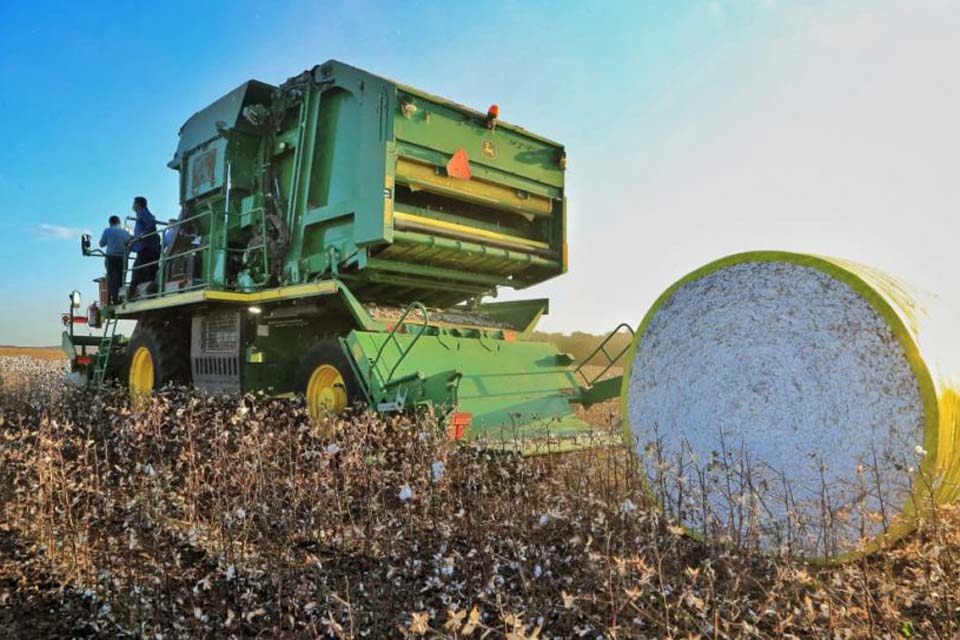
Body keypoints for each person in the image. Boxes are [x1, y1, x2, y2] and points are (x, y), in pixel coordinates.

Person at [129, 196, 161, 292]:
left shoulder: (143, 212)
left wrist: (142, 235)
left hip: (147, 248)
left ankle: (134, 289)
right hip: (148, 248)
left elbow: (151, 222)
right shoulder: (141, 214)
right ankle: (142, 288)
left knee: (139, 269)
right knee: (145, 270)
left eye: (133, 203)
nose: (132, 206)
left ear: (138, 204)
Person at [98, 215, 132, 305]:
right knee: (122, 280)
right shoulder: (125, 232)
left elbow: (101, 244)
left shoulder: (107, 230)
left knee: (112, 279)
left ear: (110, 223)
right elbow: (130, 242)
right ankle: (120, 298)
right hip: (123, 258)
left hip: (111, 257)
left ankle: (112, 300)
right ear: (119, 222)